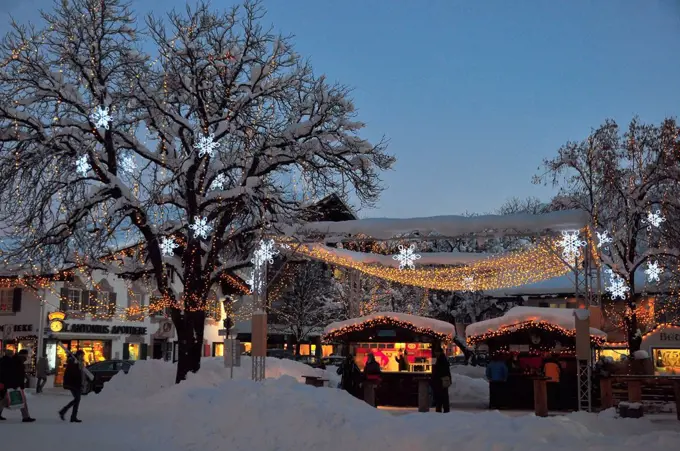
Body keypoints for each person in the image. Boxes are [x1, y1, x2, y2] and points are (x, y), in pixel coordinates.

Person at [0, 350, 36, 422]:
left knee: (4, 401)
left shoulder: (14, 361)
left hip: (10, 384)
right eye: (26, 355)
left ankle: (26, 416)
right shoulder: (17, 361)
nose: (27, 356)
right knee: (22, 400)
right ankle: (26, 417)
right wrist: (17, 385)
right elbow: (16, 374)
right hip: (14, 385)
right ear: (23, 355)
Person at [59, 350, 84, 423]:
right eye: (82, 355)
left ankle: (70, 415)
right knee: (77, 399)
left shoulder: (78, 362)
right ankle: (65, 412)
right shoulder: (73, 362)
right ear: (78, 355)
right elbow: (74, 374)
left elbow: (81, 373)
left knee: (77, 400)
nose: (82, 357)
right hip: (73, 383)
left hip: (76, 383)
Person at [431, 347, 451, 413]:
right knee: (442, 396)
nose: (436, 353)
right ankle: (443, 409)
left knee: (441, 396)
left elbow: (441, 370)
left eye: (437, 352)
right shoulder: (441, 358)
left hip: (441, 380)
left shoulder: (441, 359)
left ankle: (441, 409)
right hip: (441, 380)